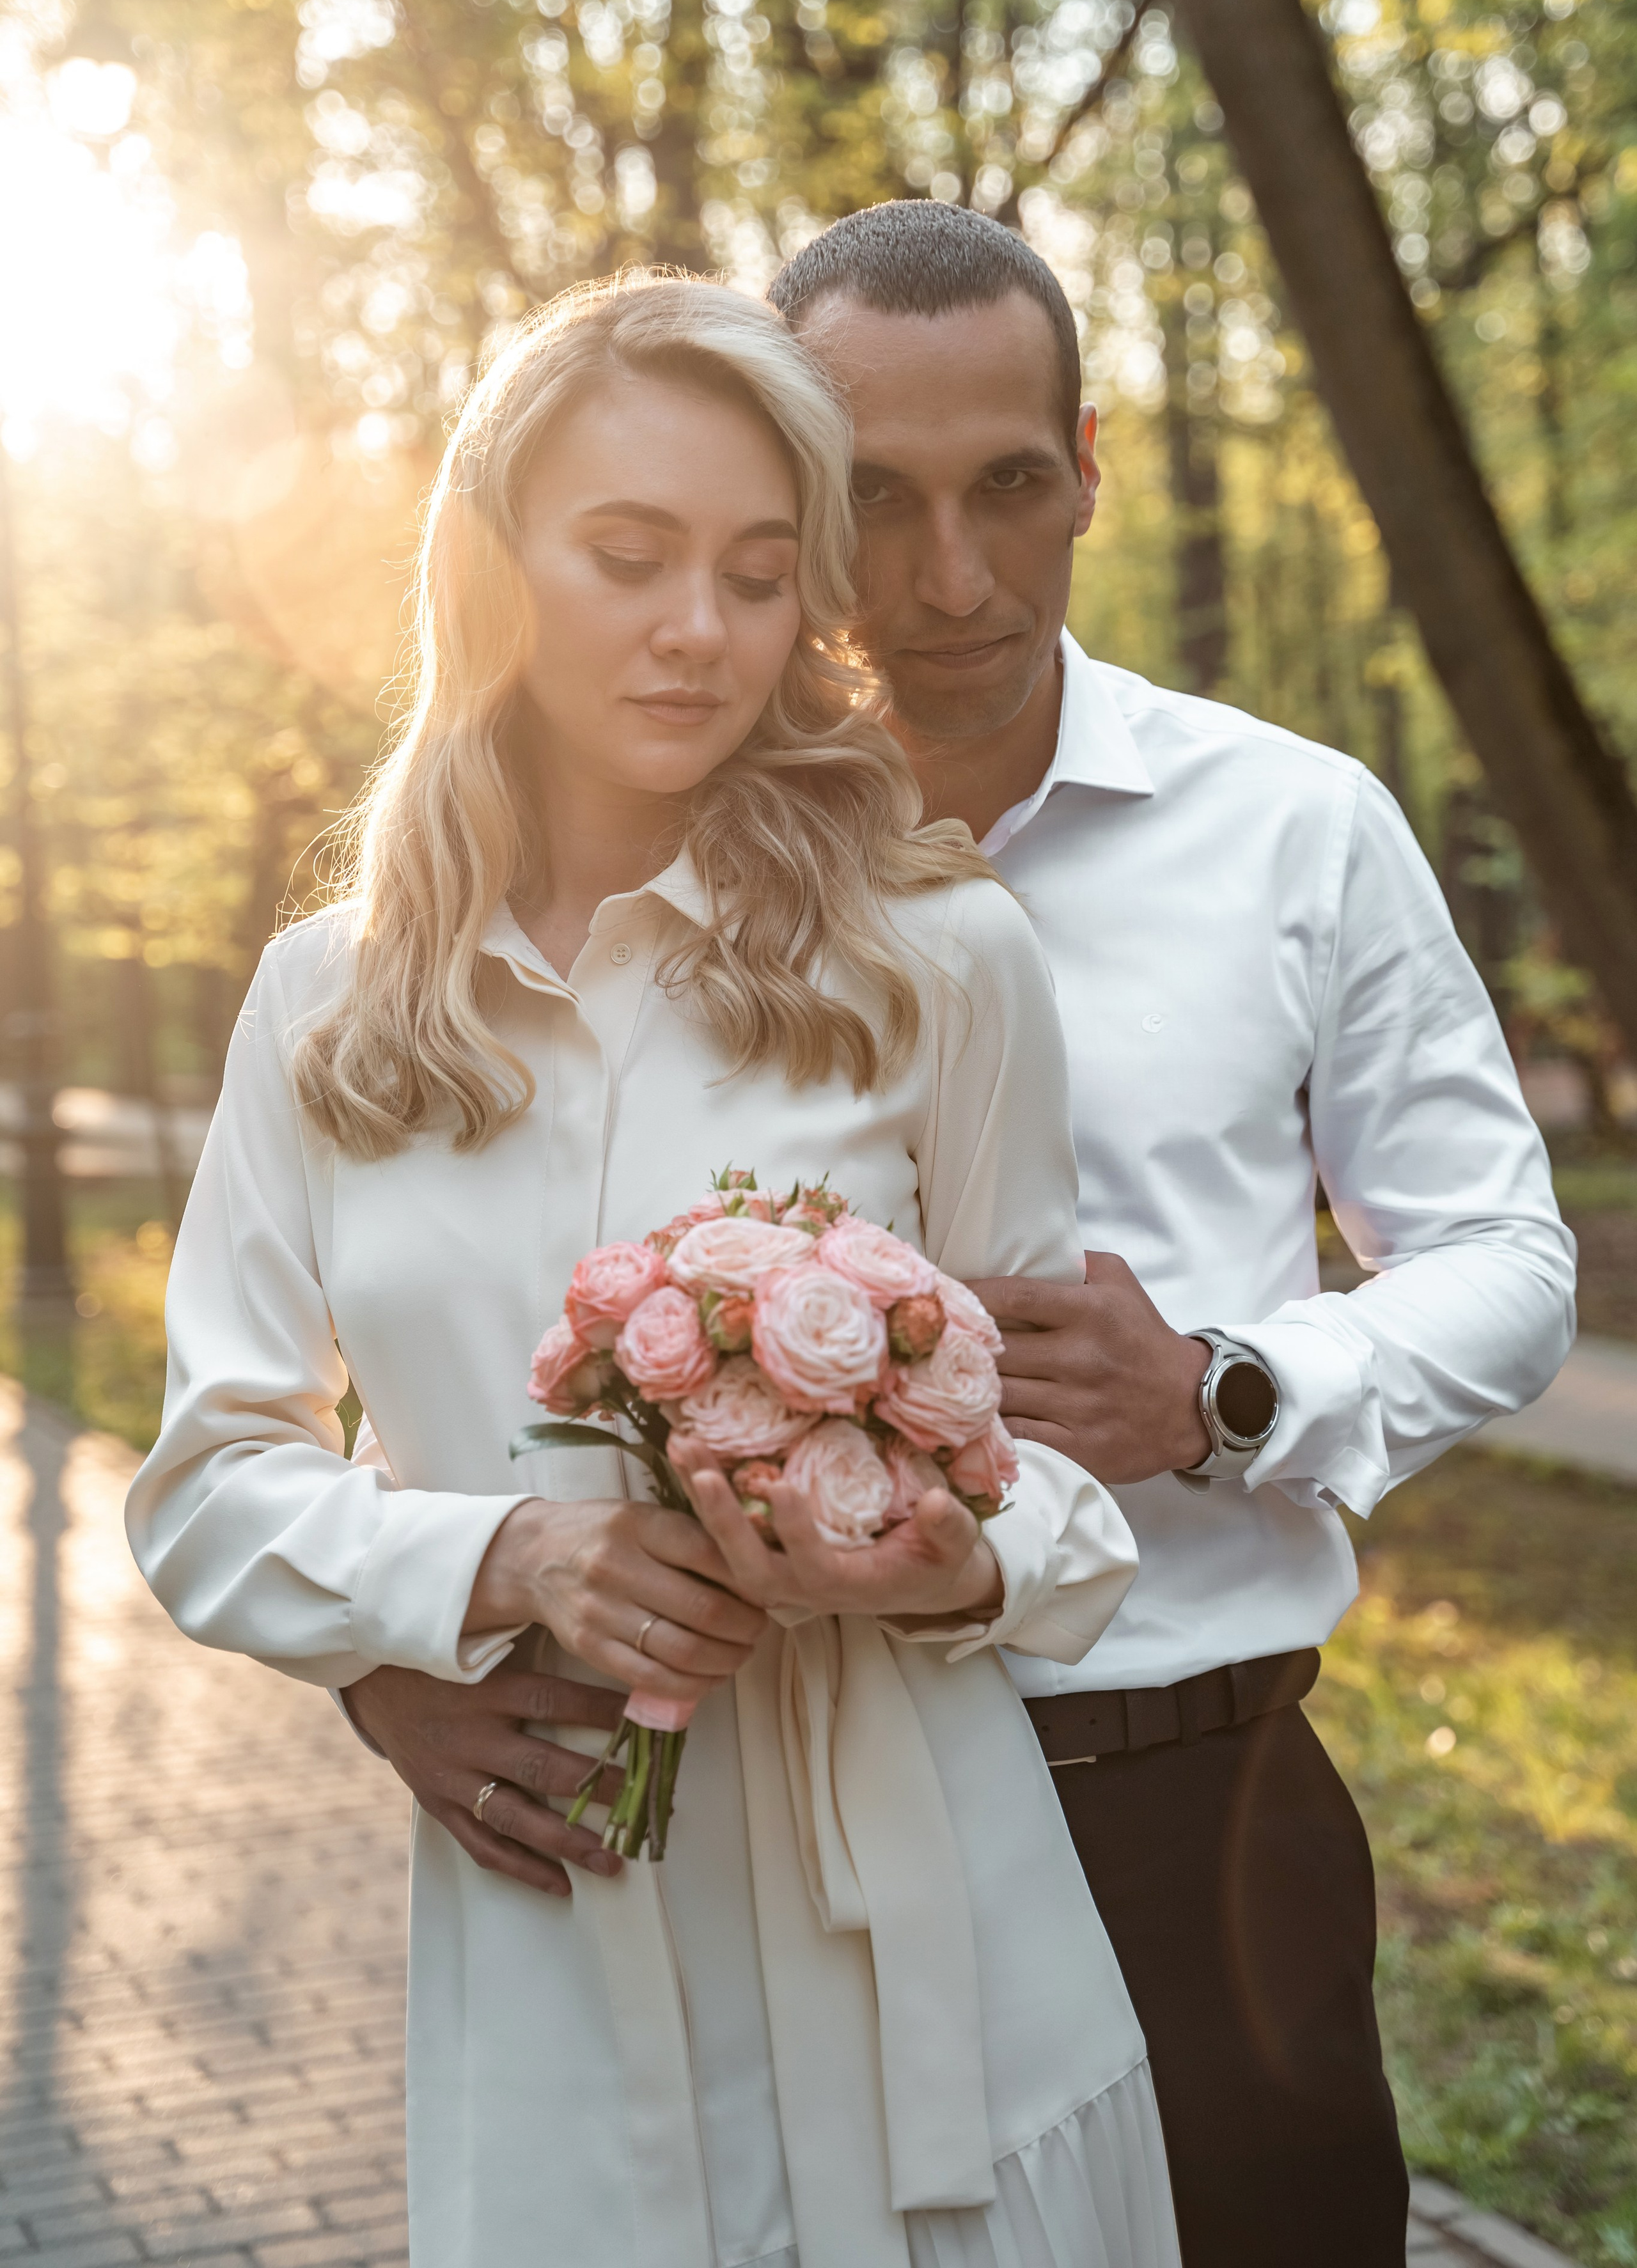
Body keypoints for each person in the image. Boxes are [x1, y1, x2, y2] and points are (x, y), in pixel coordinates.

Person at [347, 206, 1576, 2267]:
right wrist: (396, 1663)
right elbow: (432, 1335)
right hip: (747, 1838)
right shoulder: (604, 878)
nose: (953, 580)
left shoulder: (1296, 826)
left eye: (1011, 485)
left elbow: (1510, 1262)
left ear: (1090, 461)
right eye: (875, 503)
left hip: (1193, 1816)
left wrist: (1227, 1388)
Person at [127, 274, 1182, 2268]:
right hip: (558, 1953)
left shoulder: (939, 962)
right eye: (630, 558)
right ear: (492, 565)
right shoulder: (325, 1009)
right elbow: (205, 1488)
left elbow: (1057, 1475)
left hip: (937, 1955)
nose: (701, 630)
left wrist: (937, 1555)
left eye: (761, 575)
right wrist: (486, 1575)